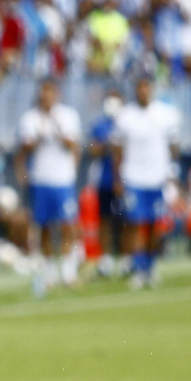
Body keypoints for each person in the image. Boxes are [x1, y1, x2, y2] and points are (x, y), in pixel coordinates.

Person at [112, 77, 182, 290]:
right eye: (139, 86)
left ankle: (149, 267)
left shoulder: (166, 114)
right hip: (133, 176)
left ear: (151, 89)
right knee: (134, 222)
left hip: (157, 177)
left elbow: (173, 146)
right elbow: (117, 149)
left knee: (153, 224)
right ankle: (139, 267)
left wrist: (172, 174)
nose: (142, 90)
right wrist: (118, 177)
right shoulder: (125, 116)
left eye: (146, 86)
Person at [16, 78, 82, 294]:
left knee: (67, 225)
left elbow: (73, 144)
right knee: (43, 227)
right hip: (41, 179)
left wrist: (56, 128)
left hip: (62, 179)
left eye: (50, 92)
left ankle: (69, 270)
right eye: (43, 92)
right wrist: (38, 136)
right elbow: (25, 147)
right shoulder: (30, 118)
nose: (47, 97)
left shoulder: (67, 116)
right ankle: (50, 271)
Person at [88, 95, 125, 277]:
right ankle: (106, 261)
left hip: (126, 179)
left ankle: (128, 259)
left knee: (127, 220)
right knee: (105, 220)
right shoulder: (100, 125)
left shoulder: (128, 122)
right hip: (105, 180)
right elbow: (93, 150)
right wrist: (108, 145)